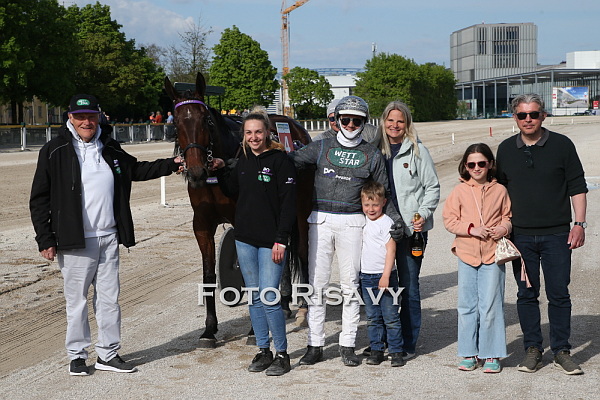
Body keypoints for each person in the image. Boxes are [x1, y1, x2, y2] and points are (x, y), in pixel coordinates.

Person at [29, 94, 183, 376]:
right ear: (70, 118)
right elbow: (39, 199)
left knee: (109, 300)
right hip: (73, 241)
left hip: (109, 237)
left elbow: (136, 169)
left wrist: (172, 163)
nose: (86, 122)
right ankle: (77, 356)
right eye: (80, 117)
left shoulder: (110, 146)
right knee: (77, 302)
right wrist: (45, 238)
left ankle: (108, 354)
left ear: (98, 117)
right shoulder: (54, 150)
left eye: (91, 116)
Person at [289, 95, 404, 367]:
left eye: (357, 121)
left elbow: (385, 193)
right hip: (320, 221)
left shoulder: (372, 154)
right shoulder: (320, 147)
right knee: (317, 285)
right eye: (346, 120)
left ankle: (347, 344)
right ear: (337, 120)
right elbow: (288, 161)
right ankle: (315, 344)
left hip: (353, 223)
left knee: (350, 286)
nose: (351, 125)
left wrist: (396, 220)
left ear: (364, 123)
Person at [496, 93, 588, 375]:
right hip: (520, 237)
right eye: (522, 115)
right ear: (514, 117)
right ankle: (533, 349)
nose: (528, 120)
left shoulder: (562, 145)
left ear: (543, 116)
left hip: (557, 235)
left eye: (533, 114)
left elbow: (577, 186)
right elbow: (499, 192)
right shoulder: (505, 149)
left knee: (559, 294)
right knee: (526, 294)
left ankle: (561, 351)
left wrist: (579, 224)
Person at [210, 106, 297, 376]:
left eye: (258, 132)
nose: (253, 137)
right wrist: (220, 169)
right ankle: (263, 350)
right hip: (245, 240)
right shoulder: (243, 161)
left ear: (267, 132)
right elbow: (231, 189)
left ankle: (282, 354)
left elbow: (289, 205)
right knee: (254, 297)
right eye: (248, 133)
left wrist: (282, 240)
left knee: (270, 297)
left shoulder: (281, 161)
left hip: (272, 242)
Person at [375, 101, 440, 360]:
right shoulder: (375, 151)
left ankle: (407, 342)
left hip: (412, 231)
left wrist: (422, 215)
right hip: (382, 229)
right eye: (390, 120)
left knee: (409, 286)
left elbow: (432, 187)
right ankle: (382, 340)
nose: (395, 125)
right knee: (381, 284)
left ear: (407, 124)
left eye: (400, 121)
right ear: (383, 122)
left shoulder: (418, 151)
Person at [443, 143, 511, 373]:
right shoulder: (459, 191)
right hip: (466, 253)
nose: (477, 168)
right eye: (471, 164)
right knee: (466, 305)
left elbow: (507, 216)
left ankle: (491, 354)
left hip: (493, 254)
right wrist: (471, 229)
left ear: (490, 164)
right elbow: (449, 220)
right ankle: (468, 352)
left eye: (481, 163)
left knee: (491, 305)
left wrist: (503, 228)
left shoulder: (500, 190)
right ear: (465, 166)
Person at [359, 181, 405, 367]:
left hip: (385, 276)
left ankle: (396, 351)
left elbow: (391, 250)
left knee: (390, 316)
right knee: (372, 317)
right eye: (367, 205)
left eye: (375, 205)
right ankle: (376, 349)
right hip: (366, 276)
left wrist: (386, 275)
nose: (371, 209)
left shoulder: (387, 223)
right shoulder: (361, 221)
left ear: (384, 202)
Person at [313, 99, 380, 146]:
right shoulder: (320, 140)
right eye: (332, 119)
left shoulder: (370, 131)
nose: (350, 125)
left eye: (356, 121)